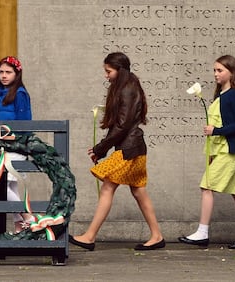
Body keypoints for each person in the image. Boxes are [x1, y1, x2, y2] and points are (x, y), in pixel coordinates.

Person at [69, 52, 165, 251]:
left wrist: (101, 148)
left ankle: (89, 236)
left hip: (129, 148)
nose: (106, 75)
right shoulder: (128, 86)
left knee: (108, 187)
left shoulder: (128, 88)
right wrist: (103, 148)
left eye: (108, 71)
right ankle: (157, 236)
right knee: (138, 190)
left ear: (119, 70)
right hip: (134, 147)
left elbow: (122, 125)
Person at [179, 55, 235, 249]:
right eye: (214, 70)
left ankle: (202, 233)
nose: (216, 74)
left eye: (220, 70)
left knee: (207, 186)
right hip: (223, 150)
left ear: (232, 72)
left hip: (230, 151)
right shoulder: (220, 95)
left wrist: (216, 131)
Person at [0, 55, 35, 232]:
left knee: (1, 184)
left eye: (8, 72)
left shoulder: (20, 94)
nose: (4, 75)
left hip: (15, 146)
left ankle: (28, 217)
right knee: (11, 186)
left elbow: (25, 122)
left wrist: (15, 139)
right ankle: (19, 224)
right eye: (1, 72)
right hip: (0, 146)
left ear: (17, 74)